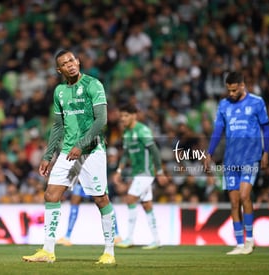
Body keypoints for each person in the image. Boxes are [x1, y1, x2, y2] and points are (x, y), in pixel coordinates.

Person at [22, 50, 117, 264]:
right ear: (59, 70)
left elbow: (101, 120)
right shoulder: (60, 92)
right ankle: (48, 251)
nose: (70, 65)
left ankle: (109, 252)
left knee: (101, 199)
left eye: (72, 60)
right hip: (67, 152)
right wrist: (47, 155)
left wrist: (82, 144)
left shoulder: (94, 85)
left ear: (78, 61)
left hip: (91, 150)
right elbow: (57, 125)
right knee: (51, 195)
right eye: (65, 63)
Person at [204, 72, 269, 255]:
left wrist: (266, 152)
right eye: (229, 90)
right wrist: (209, 153)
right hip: (231, 159)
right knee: (234, 203)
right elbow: (218, 130)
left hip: (250, 157)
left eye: (234, 90)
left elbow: (266, 128)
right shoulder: (224, 105)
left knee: (244, 196)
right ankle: (240, 243)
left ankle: (250, 240)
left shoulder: (257, 102)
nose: (231, 93)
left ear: (242, 85)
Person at [114, 104, 167, 250]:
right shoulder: (126, 133)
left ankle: (129, 238)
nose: (123, 119)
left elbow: (155, 151)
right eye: (121, 116)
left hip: (146, 173)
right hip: (137, 173)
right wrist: (119, 170)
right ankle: (156, 240)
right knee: (147, 205)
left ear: (134, 115)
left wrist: (160, 171)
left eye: (126, 116)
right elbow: (125, 154)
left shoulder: (142, 130)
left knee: (130, 199)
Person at [56, 182, 122, 246]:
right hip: (81, 181)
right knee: (74, 201)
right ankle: (67, 236)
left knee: (104, 202)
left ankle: (116, 235)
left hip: (95, 179)